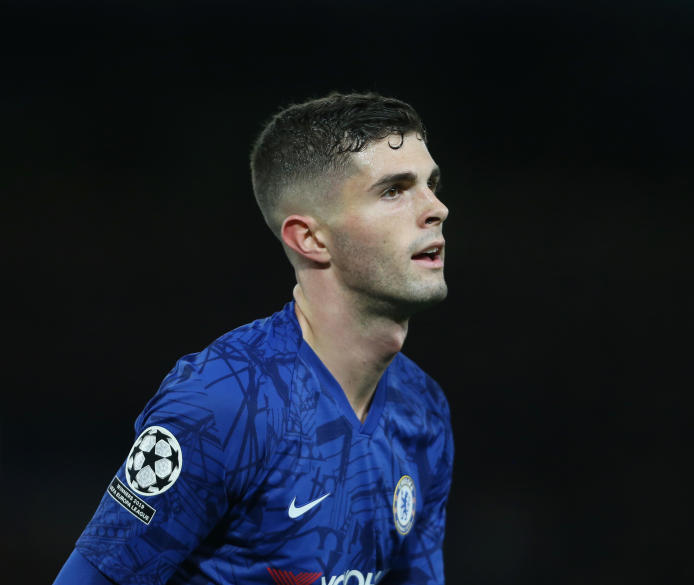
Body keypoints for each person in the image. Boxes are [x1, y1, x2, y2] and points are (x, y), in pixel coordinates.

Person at [54, 92, 454, 585]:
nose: (437, 208)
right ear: (309, 238)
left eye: (430, 184)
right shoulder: (224, 404)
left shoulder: (423, 409)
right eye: (394, 190)